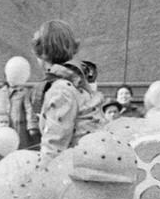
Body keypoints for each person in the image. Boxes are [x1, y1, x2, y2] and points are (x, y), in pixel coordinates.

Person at [32, 21, 106, 159]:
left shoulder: (61, 89)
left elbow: (53, 149)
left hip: (78, 168)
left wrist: (38, 176)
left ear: (42, 53)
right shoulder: (76, 78)